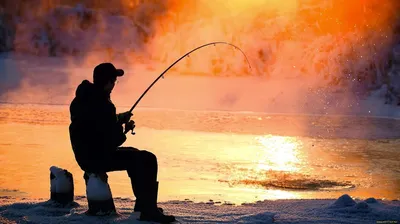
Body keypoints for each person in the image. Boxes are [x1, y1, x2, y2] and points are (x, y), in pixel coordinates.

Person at [68, 62, 176, 223]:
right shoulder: (103, 104)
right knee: (147, 159)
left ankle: (145, 206)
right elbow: (112, 141)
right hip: (95, 158)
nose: (114, 85)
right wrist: (125, 128)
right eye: (114, 81)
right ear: (108, 82)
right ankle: (147, 210)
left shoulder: (83, 98)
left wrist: (117, 119)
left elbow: (95, 124)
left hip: (85, 154)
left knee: (135, 155)